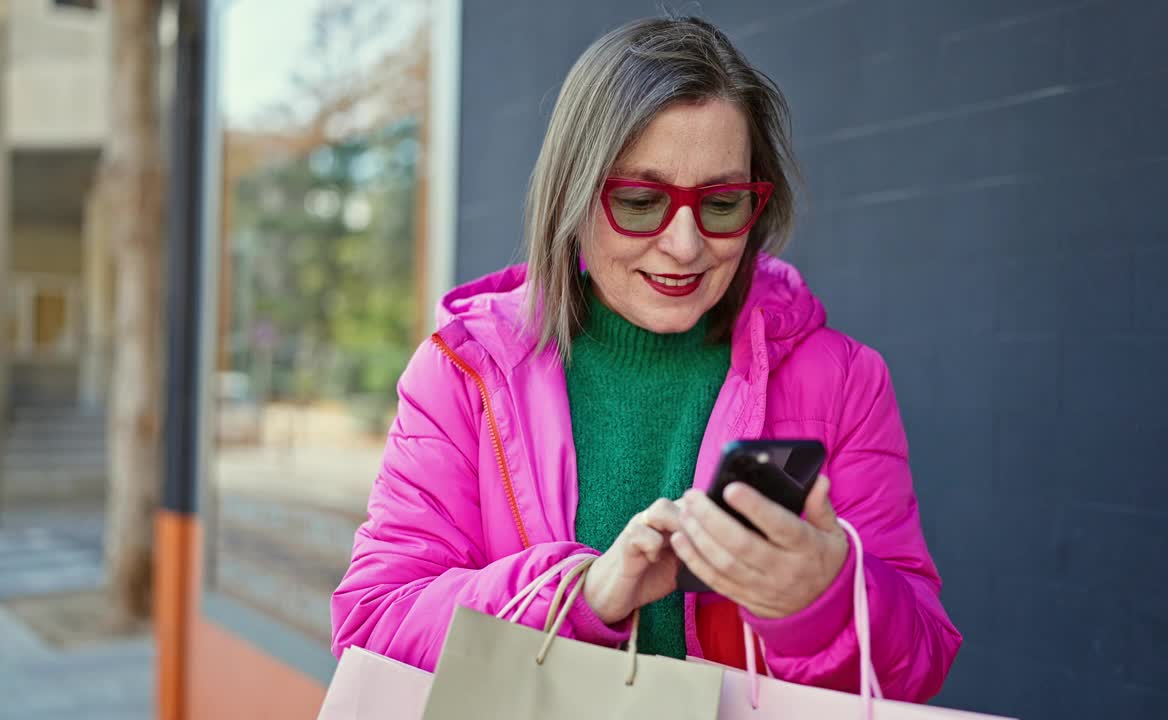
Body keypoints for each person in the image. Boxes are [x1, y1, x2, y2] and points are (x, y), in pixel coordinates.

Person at [331, 15, 960, 702]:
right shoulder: (464, 371)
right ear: (572, 195)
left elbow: (916, 665)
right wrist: (582, 594)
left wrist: (824, 599)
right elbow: (374, 622)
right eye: (640, 200)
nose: (685, 245)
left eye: (721, 203)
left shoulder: (843, 382)